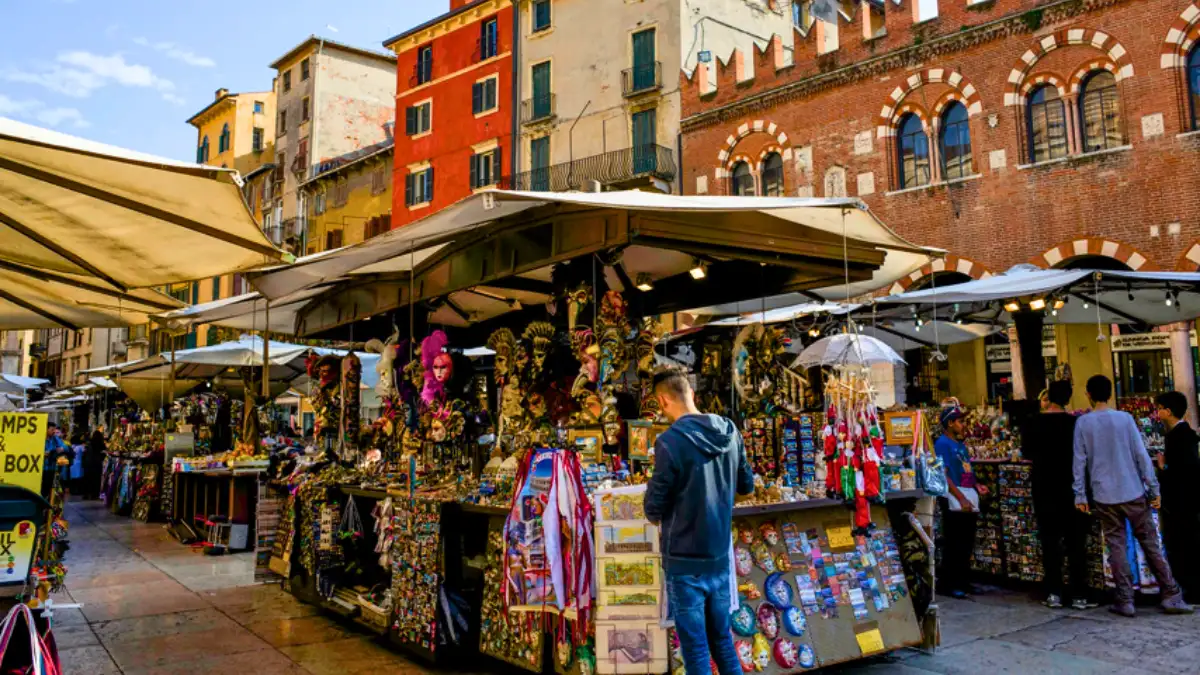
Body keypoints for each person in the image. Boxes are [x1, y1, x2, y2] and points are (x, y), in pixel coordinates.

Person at [644, 368, 753, 675]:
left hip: (684, 562)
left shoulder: (669, 442)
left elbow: (654, 508)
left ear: (663, 401)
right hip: (718, 558)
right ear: (691, 393)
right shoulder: (730, 431)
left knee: (696, 650)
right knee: (722, 641)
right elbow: (746, 487)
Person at [1073, 375, 1192, 616]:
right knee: (1151, 544)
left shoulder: (1083, 423)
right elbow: (1141, 456)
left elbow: (1079, 461)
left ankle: (1125, 600)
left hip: (1104, 495)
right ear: (1110, 393)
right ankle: (1170, 593)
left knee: (1116, 546)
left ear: (1088, 394)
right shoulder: (1125, 419)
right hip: (1134, 491)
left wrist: (1080, 495)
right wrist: (1154, 489)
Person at [1025, 380, 1094, 609]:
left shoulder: (1033, 422)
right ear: (1068, 399)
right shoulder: (1076, 423)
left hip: (1044, 488)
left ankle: (1054, 592)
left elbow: (1027, 453)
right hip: (1072, 488)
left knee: (1050, 541)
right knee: (1076, 542)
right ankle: (1079, 594)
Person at [935, 404, 989, 599]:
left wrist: (976, 486)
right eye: (960, 421)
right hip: (955, 498)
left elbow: (966, 472)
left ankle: (963, 581)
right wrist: (960, 497)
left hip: (966, 494)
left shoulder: (960, 445)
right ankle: (951, 583)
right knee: (955, 542)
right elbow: (944, 475)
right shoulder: (942, 444)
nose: (963, 425)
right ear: (950, 423)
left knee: (966, 542)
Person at [1154, 391, 1200, 602]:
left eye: (1160, 408)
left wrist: (1163, 467)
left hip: (1182, 502)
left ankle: (1190, 588)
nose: (1157, 413)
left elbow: (1182, 472)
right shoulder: (1181, 434)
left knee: (1183, 545)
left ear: (1168, 411)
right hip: (1186, 501)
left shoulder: (1179, 437)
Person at [42, 423, 67, 497]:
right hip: (41, 468)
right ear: (46, 429)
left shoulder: (55, 438)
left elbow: (65, 447)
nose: (53, 432)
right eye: (52, 430)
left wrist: (61, 449)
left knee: (49, 488)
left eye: (54, 430)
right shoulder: (40, 438)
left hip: (52, 468)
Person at [85, 428, 107, 500]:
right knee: (96, 479)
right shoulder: (101, 443)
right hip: (97, 463)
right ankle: (95, 495)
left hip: (89, 463)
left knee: (88, 479)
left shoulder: (89, 442)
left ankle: (87, 494)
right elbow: (104, 452)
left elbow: (86, 452)